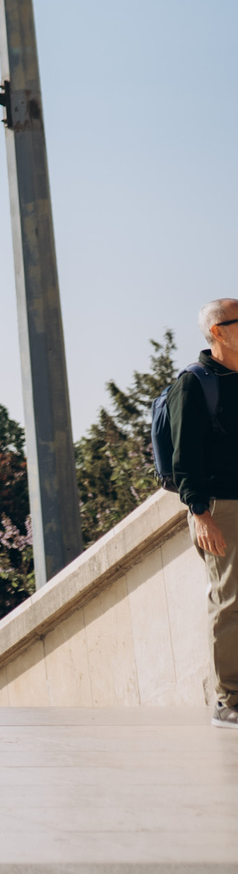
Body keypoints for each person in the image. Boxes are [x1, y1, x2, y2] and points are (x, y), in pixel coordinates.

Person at [169, 298, 238, 729]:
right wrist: (200, 514)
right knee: (229, 600)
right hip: (221, 507)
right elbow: (184, 458)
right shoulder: (195, 384)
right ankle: (226, 699)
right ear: (219, 332)